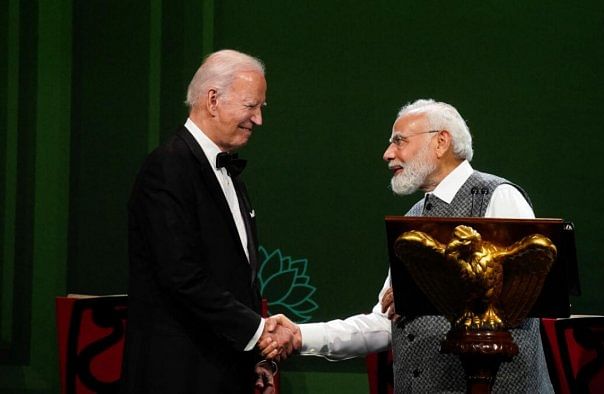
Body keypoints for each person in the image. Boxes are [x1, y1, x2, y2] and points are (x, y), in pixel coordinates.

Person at [268, 99, 553, 392]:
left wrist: (420, 293)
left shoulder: (497, 196)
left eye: (399, 141)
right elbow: (383, 323)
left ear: (441, 142)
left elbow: (526, 301)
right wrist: (300, 335)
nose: (388, 153)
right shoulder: (413, 219)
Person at [122, 49, 296, 394]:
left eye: (262, 107)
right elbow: (180, 275)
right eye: (251, 106)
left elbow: (235, 279)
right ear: (212, 100)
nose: (258, 119)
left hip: (220, 370)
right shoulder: (168, 167)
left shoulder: (227, 169)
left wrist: (255, 360)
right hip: (177, 374)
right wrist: (260, 333)